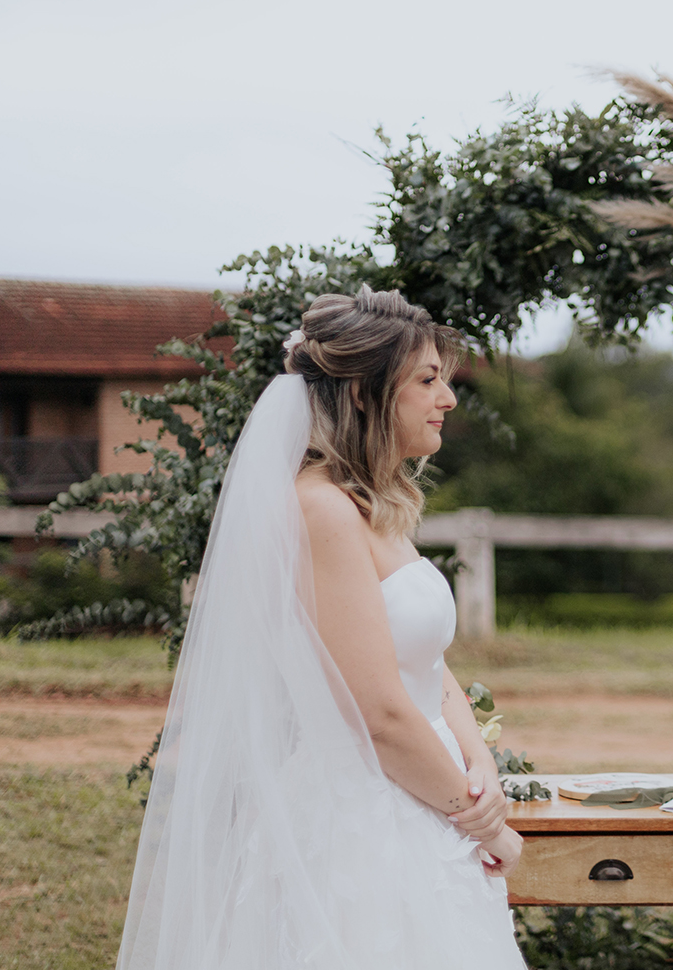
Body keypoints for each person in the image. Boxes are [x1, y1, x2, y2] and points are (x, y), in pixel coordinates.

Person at [116, 286, 526, 969]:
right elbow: (378, 714)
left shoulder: (372, 505)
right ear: (365, 394)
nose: (447, 399)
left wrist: (478, 759)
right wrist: (477, 817)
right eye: (427, 381)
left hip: (425, 801)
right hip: (367, 821)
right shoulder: (321, 512)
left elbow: (424, 666)